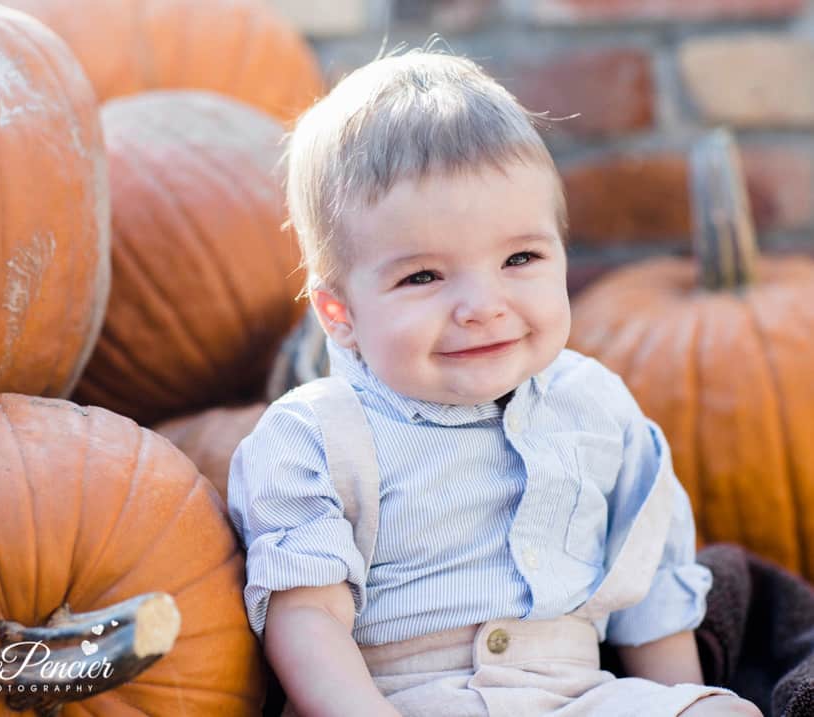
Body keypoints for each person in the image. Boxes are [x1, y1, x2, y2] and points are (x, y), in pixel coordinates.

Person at [227, 50, 760, 717]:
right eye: (423, 276)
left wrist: (680, 700)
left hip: (578, 693)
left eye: (519, 258)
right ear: (340, 313)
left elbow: (649, 591)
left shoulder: (595, 408)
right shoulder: (314, 436)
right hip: (404, 695)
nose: (482, 304)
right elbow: (308, 622)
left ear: (563, 252)